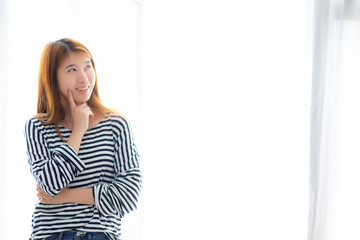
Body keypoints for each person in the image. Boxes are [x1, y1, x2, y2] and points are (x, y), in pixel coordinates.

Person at [24, 38, 142, 240]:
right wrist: (78, 132)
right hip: (50, 235)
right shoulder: (37, 127)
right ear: (52, 78)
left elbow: (128, 196)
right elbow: (51, 184)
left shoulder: (116, 125)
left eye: (88, 66)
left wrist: (65, 196)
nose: (84, 78)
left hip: (100, 234)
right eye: (72, 70)